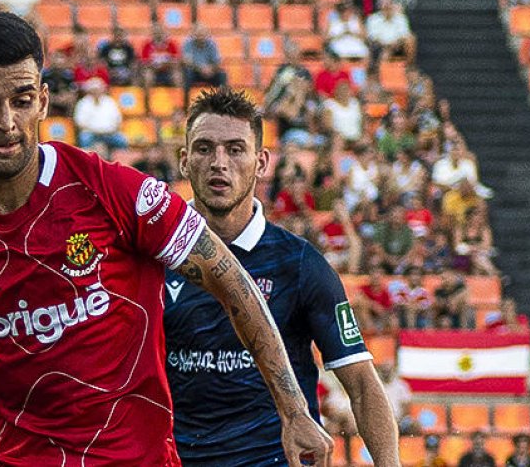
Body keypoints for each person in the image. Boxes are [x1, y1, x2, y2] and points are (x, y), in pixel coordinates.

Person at [0, 11, 331, 466]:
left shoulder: (115, 192)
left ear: (43, 101)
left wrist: (294, 412)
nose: (7, 121)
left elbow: (233, 282)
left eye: (22, 100)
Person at [164, 88, 398, 466]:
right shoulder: (154, 256)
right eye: (205, 149)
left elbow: (361, 384)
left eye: (235, 149)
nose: (219, 163)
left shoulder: (301, 264)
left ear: (261, 162)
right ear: (185, 161)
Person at [73, 77, 127, 158]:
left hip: (109, 133)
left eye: (98, 89)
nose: (96, 92)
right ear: (89, 91)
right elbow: (79, 122)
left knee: (122, 140)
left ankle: (120, 162)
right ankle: (86, 161)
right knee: (84, 139)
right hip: (91, 133)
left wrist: (113, 129)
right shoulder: (83, 103)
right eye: (94, 90)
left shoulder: (110, 101)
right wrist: (95, 130)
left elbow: (117, 119)